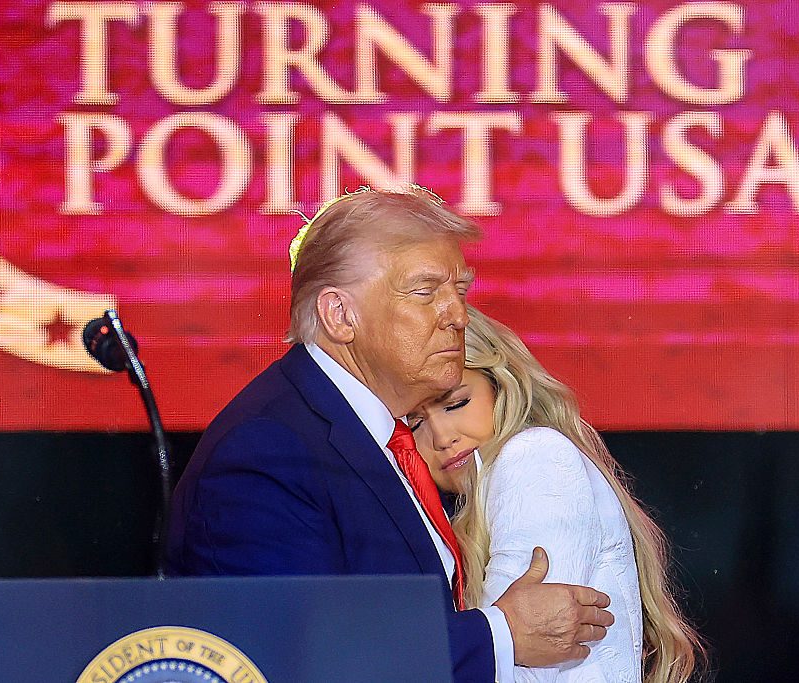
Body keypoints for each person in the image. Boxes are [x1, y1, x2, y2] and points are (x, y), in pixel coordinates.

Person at [167, 187, 615, 682]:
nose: (458, 316)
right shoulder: (267, 452)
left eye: (459, 291)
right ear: (339, 316)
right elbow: (297, 658)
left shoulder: (370, 438)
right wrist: (499, 636)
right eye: (425, 292)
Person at [406, 306, 706, 683]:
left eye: (456, 404)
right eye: (415, 423)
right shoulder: (481, 495)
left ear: (501, 385)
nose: (441, 437)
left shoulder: (534, 459)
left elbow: (521, 669)